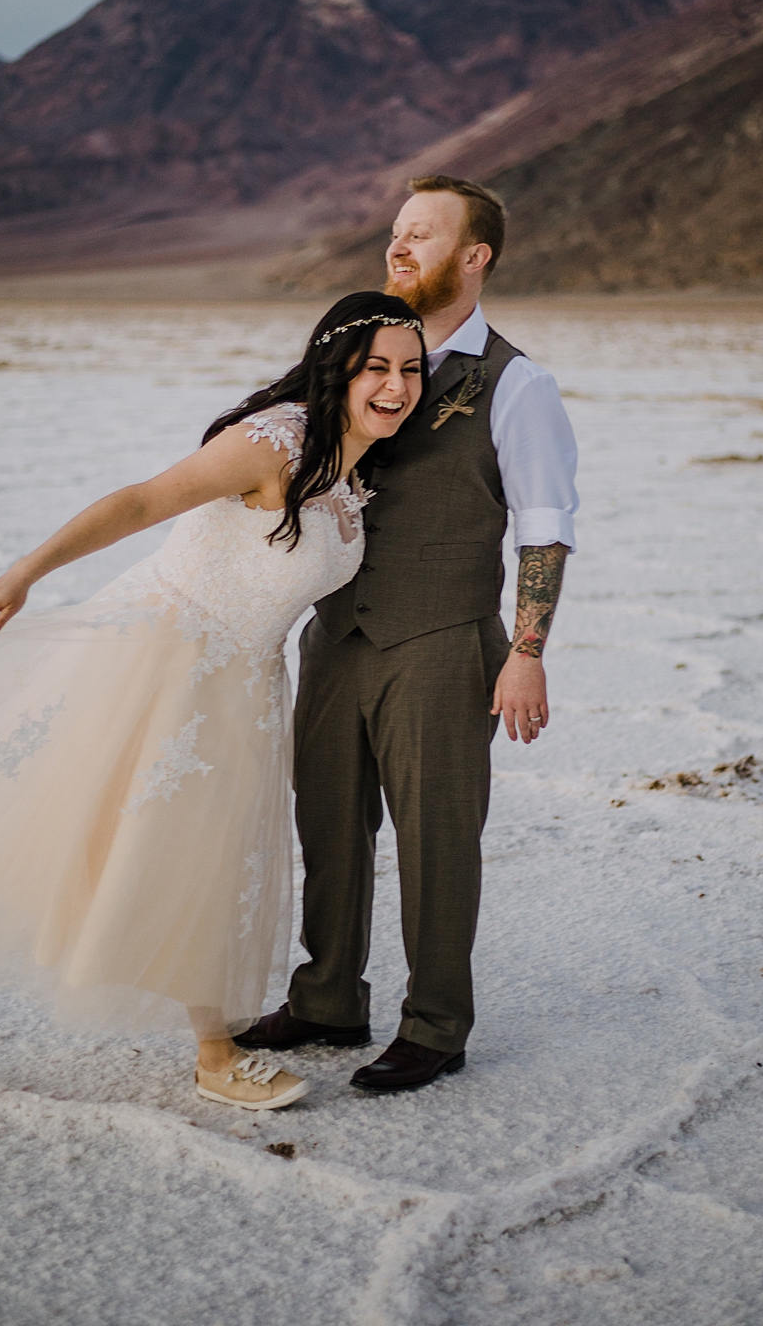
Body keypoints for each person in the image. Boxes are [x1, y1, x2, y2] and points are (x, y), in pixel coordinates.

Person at [0, 292, 427, 1112]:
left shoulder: (356, 472)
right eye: (377, 368)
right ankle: (216, 1056)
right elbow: (143, 500)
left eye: (411, 370)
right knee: (114, 815)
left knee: (190, 851)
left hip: (245, 684)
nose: (396, 385)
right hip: (166, 647)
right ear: (337, 370)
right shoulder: (271, 442)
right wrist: (23, 574)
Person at [238, 175, 579, 1091]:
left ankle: (435, 1024)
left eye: (421, 236)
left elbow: (543, 526)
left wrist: (529, 651)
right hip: (336, 633)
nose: (398, 249)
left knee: (437, 837)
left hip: (441, 640)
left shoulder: (518, 384)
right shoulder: (363, 361)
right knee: (329, 825)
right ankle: (325, 1001)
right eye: (395, 233)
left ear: (476, 257)